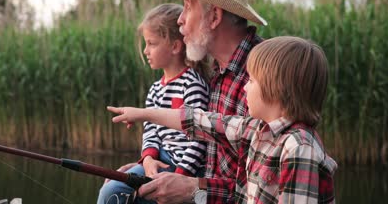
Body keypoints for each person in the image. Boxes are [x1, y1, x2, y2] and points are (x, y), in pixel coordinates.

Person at [108, 0, 268, 203]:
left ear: (214, 17)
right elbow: (209, 161)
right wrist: (142, 169)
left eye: (187, 6)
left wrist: (193, 189)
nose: (180, 19)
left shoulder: (263, 78)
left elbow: (261, 192)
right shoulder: (215, 72)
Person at [109, 36, 338, 203]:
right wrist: (144, 113)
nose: (245, 86)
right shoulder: (256, 129)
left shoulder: (299, 148)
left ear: (276, 90)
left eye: (252, 81)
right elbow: (198, 121)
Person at [97, 3, 209, 204]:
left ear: (175, 46)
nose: (146, 50)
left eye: (152, 43)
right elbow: (150, 132)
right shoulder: (155, 89)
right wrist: (148, 159)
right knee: (110, 192)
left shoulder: (192, 85)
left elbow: (200, 140)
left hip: (188, 168)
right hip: (161, 160)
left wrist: (180, 175)